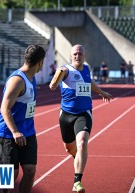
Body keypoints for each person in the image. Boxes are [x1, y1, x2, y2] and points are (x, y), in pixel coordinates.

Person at [49, 44, 114, 193]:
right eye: (75, 54)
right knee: (70, 148)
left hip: (84, 113)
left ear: (85, 57)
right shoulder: (65, 70)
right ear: (71, 56)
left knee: (83, 143)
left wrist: (101, 92)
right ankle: (77, 157)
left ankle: (77, 181)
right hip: (66, 115)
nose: (77, 56)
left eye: (80, 54)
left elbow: (88, 82)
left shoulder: (86, 69)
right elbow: (54, 84)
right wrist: (55, 80)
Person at [0, 45, 46, 193]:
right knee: (10, 176)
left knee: (30, 172)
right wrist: (15, 132)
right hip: (9, 133)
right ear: (40, 62)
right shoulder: (18, 80)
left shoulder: (32, 77)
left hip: (28, 132)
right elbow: (4, 108)